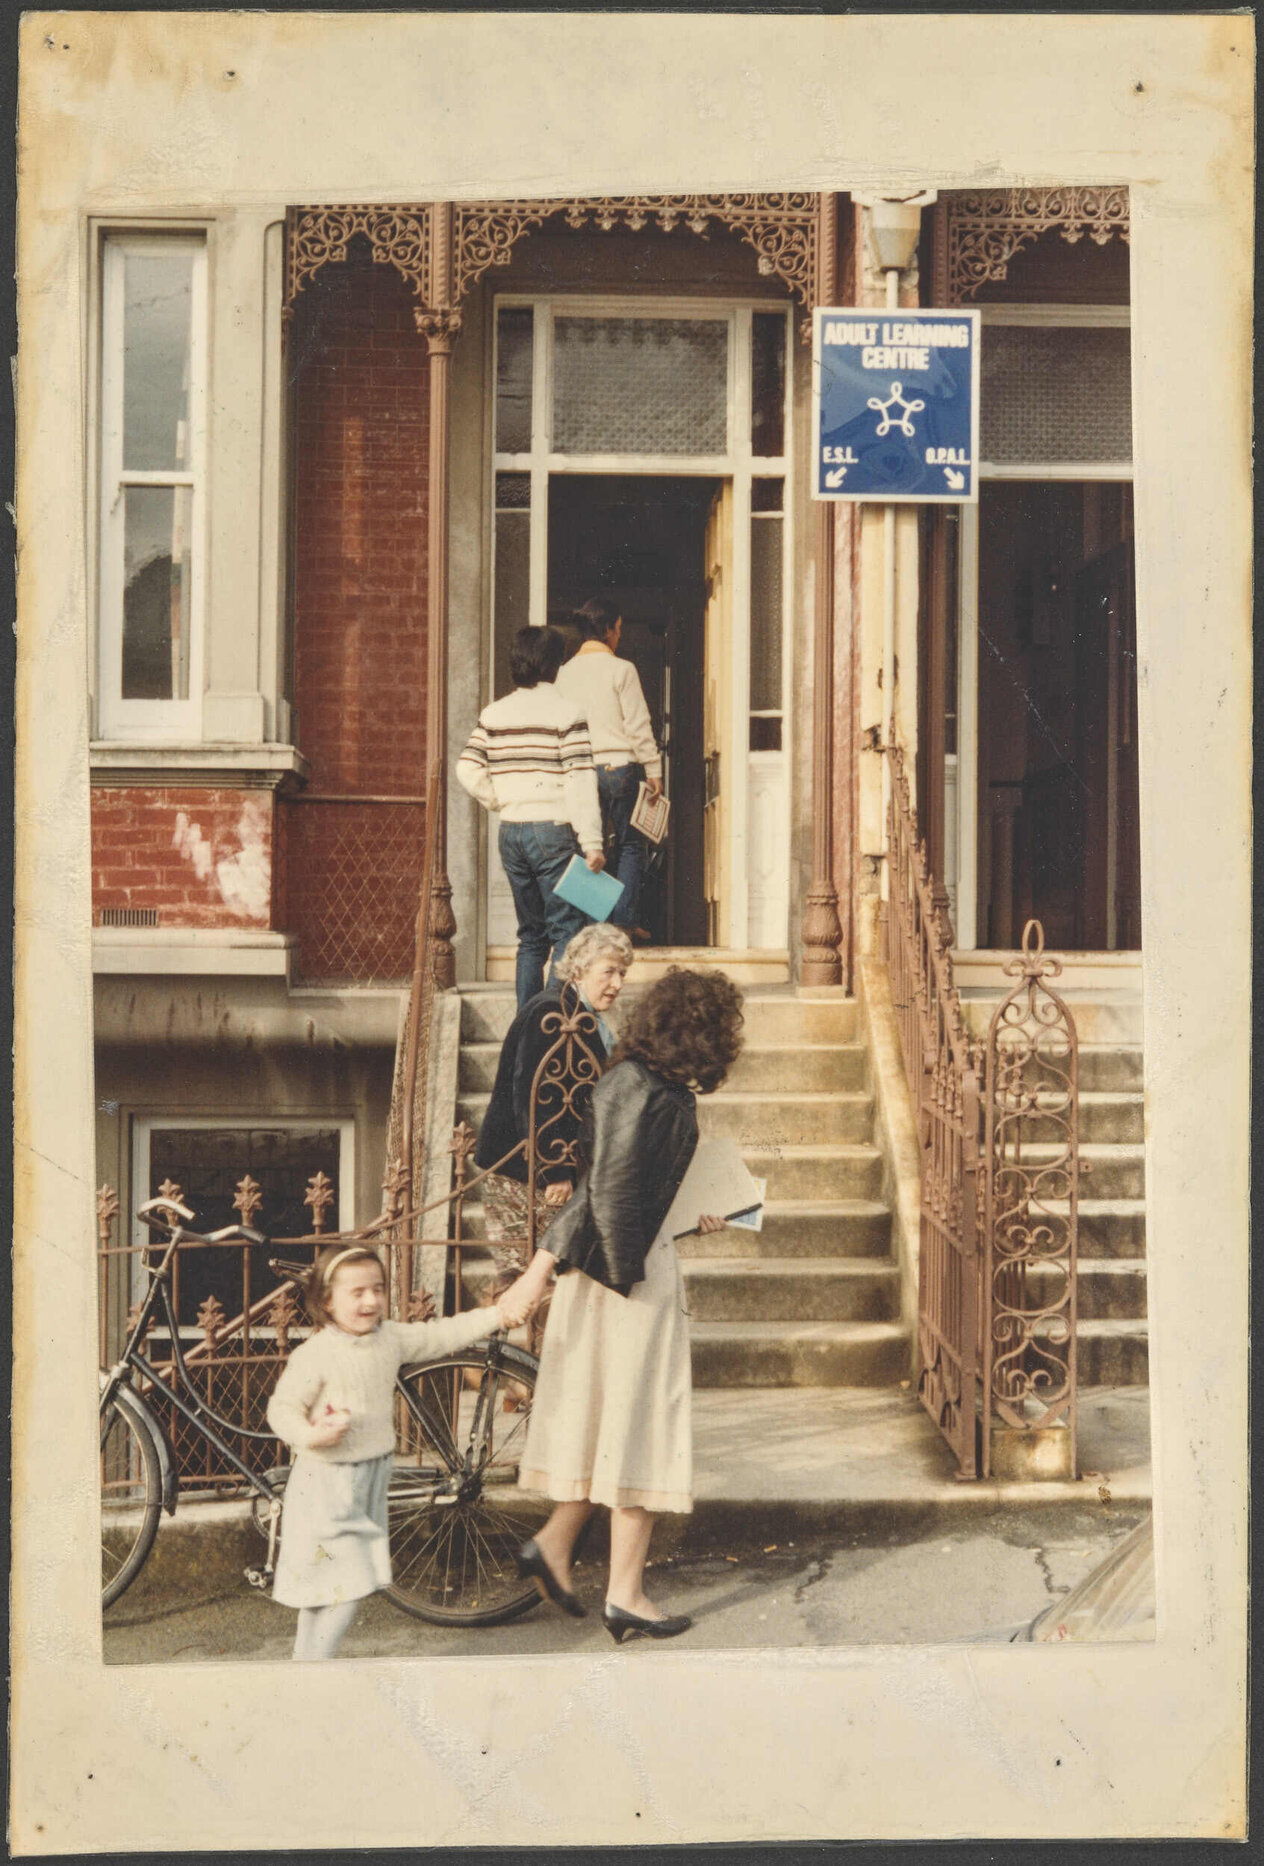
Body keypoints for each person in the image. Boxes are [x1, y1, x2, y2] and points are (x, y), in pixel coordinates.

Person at [508, 968, 744, 1643]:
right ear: (699, 1032)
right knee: (641, 1428)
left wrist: (688, 1217)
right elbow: (598, 1194)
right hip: (627, 1285)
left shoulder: (637, 1084)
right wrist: (536, 1274)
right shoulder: (649, 1092)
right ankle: (625, 1594)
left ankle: (556, 1548)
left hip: (614, 1275)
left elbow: (622, 1193)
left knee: (610, 1424)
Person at [266, 1241, 535, 1661]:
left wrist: (496, 1315)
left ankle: (306, 1666)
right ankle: (312, 1667)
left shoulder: (388, 1339)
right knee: (348, 1583)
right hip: (326, 1483)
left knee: (331, 1582)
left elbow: (441, 1334)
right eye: (356, 1293)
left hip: (368, 1479)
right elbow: (282, 1410)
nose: (371, 1300)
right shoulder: (316, 1354)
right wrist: (310, 1434)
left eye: (377, 1289)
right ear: (327, 1301)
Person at [475, 923, 635, 1297]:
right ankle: (505, 1356)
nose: (617, 983)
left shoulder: (582, 1014)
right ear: (579, 969)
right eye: (608, 972)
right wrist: (555, 1170)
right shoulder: (552, 1014)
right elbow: (534, 1097)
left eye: (622, 973)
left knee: (551, 1279)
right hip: (524, 1173)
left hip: (549, 1170)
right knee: (526, 1281)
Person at [456, 624, 606, 1007]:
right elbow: (579, 780)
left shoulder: (494, 713)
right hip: (553, 832)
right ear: (553, 665)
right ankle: (555, 1026)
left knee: (530, 936)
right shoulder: (567, 712)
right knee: (566, 932)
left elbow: (467, 769)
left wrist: (501, 800)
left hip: (511, 832)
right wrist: (591, 842)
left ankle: (527, 1025)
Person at [555, 598, 662, 936]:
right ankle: (625, 923)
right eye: (618, 629)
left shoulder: (564, 673)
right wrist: (653, 767)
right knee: (631, 845)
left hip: (581, 768)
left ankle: (592, 925)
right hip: (620, 766)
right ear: (607, 630)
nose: (619, 636)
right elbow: (637, 723)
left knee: (589, 844)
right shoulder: (622, 669)